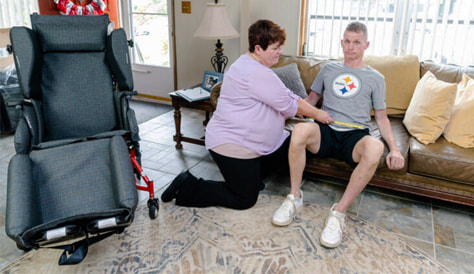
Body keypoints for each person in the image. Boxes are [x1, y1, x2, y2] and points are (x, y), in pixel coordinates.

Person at [161, 19, 331, 210]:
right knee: (244, 200)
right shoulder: (257, 74)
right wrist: (319, 114)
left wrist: (299, 108)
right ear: (258, 49)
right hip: (230, 144)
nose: (281, 52)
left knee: (290, 146)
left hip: (247, 140)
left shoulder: (244, 61)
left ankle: (251, 177)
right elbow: (290, 103)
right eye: (276, 48)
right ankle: (187, 185)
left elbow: (285, 97)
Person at [272, 22, 405, 248]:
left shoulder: (376, 78)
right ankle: (294, 197)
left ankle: (338, 213)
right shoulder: (328, 69)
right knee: (300, 130)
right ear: (341, 42)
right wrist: (281, 117)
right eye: (347, 41)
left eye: (356, 42)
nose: (350, 47)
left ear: (366, 45)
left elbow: (382, 118)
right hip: (326, 129)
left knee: (375, 148)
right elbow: (311, 101)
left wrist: (395, 148)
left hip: (354, 137)